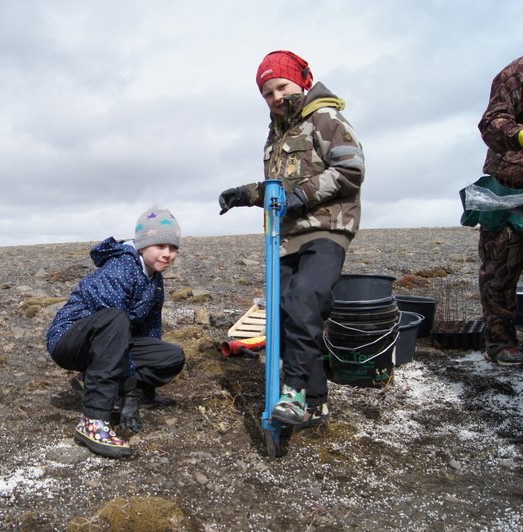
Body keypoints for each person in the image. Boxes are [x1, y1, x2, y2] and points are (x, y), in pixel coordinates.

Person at [218, 50, 364, 426]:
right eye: (267, 93)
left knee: (303, 301)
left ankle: (294, 391)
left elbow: (351, 169)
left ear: (302, 79)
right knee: (285, 313)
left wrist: (304, 196)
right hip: (286, 236)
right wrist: (245, 194)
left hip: (327, 228)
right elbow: (278, 188)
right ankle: (315, 402)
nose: (276, 97)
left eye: (281, 87)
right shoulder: (275, 135)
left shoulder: (325, 118)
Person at [45, 205, 185, 458]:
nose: (168, 254)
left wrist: (143, 392)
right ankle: (93, 421)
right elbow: (114, 324)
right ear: (143, 245)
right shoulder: (120, 268)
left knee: (171, 356)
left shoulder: (154, 277)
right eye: (160, 246)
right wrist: (129, 390)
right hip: (70, 341)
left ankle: (90, 380)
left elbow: (149, 328)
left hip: (108, 342)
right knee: (116, 319)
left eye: (173, 248)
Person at [469, 42, 523, 367]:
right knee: (499, 273)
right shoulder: (517, 74)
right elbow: (492, 123)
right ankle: (500, 345)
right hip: (510, 191)